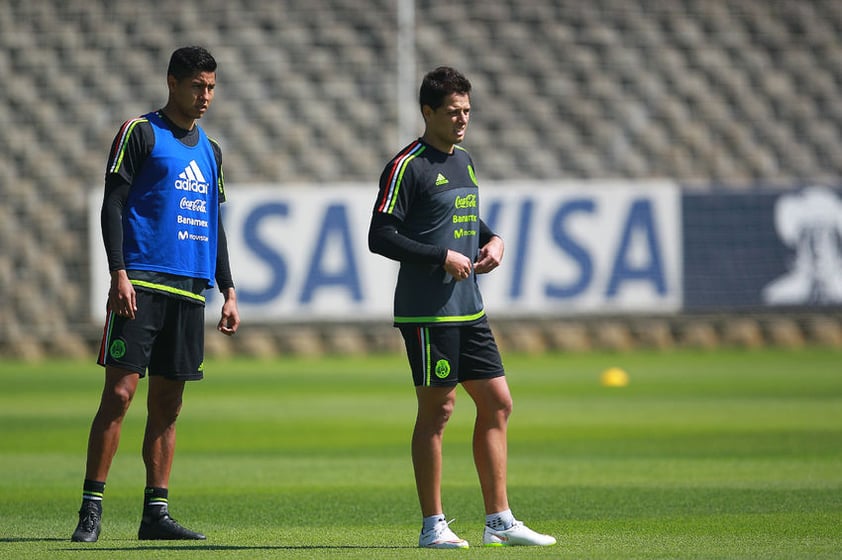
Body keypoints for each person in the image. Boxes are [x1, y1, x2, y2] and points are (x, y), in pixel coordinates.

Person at [368, 66, 556, 549]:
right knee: (439, 411)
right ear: (427, 112)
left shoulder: (464, 160)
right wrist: (441, 256)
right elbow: (380, 235)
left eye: (467, 111)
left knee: (498, 403)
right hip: (428, 312)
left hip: (469, 308)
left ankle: (500, 521)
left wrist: (493, 239)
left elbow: (466, 215)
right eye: (453, 112)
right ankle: (433, 526)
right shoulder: (406, 166)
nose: (462, 120)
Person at [71, 46, 240, 543]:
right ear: (172, 82)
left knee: (168, 405)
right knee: (120, 395)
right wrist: (118, 272)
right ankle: (91, 508)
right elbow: (113, 203)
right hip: (141, 283)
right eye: (196, 86)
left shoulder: (211, 151)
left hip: (190, 291)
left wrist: (228, 288)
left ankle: (155, 513)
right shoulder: (139, 132)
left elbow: (215, 225)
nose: (205, 96)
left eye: (211, 87)